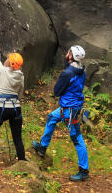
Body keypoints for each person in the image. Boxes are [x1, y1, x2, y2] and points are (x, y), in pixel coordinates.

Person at [31, 45, 89, 182]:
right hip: (67, 108)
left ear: (71, 56)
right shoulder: (82, 70)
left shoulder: (68, 73)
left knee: (76, 138)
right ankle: (43, 147)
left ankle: (84, 171)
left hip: (70, 110)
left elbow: (56, 92)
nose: (66, 54)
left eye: (68, 52)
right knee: (51, 117)